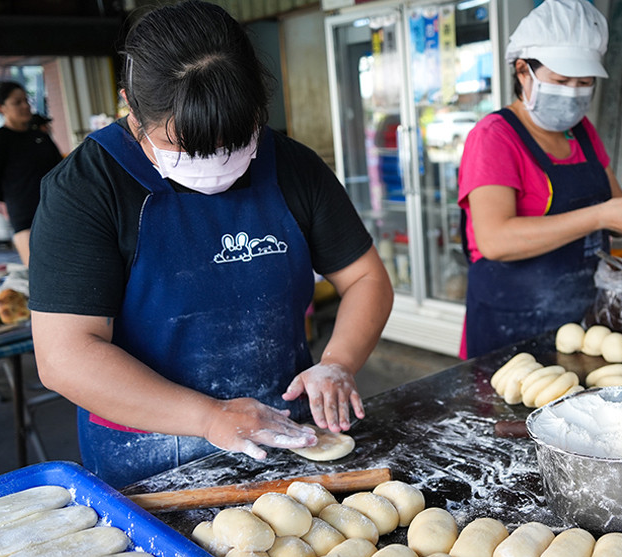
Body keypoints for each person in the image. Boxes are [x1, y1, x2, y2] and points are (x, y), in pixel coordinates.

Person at [29, 0, 394, 488]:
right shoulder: (86, 189)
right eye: (186, 146)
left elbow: (366, 277)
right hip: (149, 454)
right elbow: (64, 356)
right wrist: (208, 416)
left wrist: (337, 362)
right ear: (132, 111)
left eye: (235, 141)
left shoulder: (292, 166)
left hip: (288, 433)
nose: (217, 162)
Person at [457, 0, 622, 359]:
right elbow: (493, 240)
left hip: (583, 322)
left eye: (584, 83)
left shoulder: (582, 131)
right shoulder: (494, 136)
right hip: (510, 330)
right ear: (523, 71)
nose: (573, 92)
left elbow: (612, 211)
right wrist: (602, 215)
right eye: (560, 81)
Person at [0, 80, 62, 264]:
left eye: (26, 100)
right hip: (26, 219)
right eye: (17, 103)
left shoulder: (39, 135)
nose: (25, 106)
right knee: (40, 275)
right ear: (1, 107)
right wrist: (15, 196)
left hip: (57, 213)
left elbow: (60, 170)